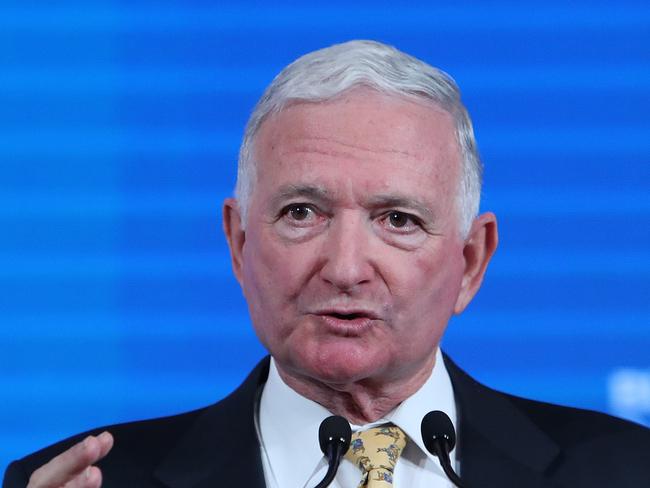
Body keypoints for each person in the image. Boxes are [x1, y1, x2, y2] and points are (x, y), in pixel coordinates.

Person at [4, 40, 649, 488]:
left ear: (471, 261)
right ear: (238, 242)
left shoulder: (627, 473)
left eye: (398, 220)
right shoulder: (85, 482)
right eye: (302, 213)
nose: (345, 268)